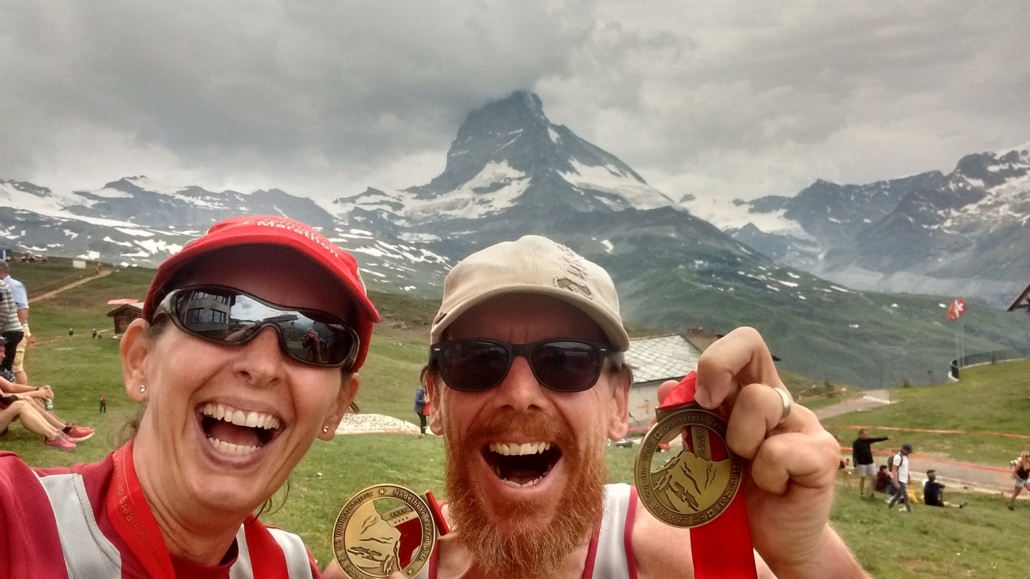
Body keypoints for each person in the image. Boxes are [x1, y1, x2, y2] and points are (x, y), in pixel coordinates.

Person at [330, 235, 868, 579]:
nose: (520, 394)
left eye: (567, 361)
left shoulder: (672, 560)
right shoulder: (376, 565)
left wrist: (805, 558)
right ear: (437, 398)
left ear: (617, 403)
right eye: (477, 360)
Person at [0, 215, 380, 577]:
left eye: (315, 339)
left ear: (337, 407)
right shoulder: (16, 519)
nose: (262, 367)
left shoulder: (291, 567)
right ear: (140, 360)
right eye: (221, 316)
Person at [0, 260, 33, 384]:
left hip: (13, 329)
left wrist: (14, 326)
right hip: (10, 328)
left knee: (15, 367)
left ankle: (19, 395)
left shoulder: (14, 285)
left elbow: (23, 310)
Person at [851, 428, 889, 499]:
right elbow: (854, 453)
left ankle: (872, 493)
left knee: (875, 477)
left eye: (866, 434)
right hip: (861, 463)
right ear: (860, 434)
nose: (866, 435)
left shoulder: (868, 440)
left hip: (870, 462)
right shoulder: (856, 443)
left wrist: (886, 438)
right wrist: (855, 463)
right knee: (863, 477)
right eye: (865, 434)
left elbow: (876, 439)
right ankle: (861, 493)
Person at [0, 269, 23, 377]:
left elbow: (4, 310)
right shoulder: (3, 284)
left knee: (3, 369)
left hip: (8, 330)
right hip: (12, 329)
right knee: (6, 368)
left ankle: (7, 392)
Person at [887, 443, 914, 512]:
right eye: (908, 451)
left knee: (898, 494)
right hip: (900, 479)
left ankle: (890, 506)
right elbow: (894, 469)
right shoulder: (898, 457)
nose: (908, 453)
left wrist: (909, 477)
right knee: (905, 495)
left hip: (904, 479)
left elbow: (906, 469)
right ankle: (909, 509)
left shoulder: (905, 458)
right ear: (903, 449)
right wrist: (896, 481)